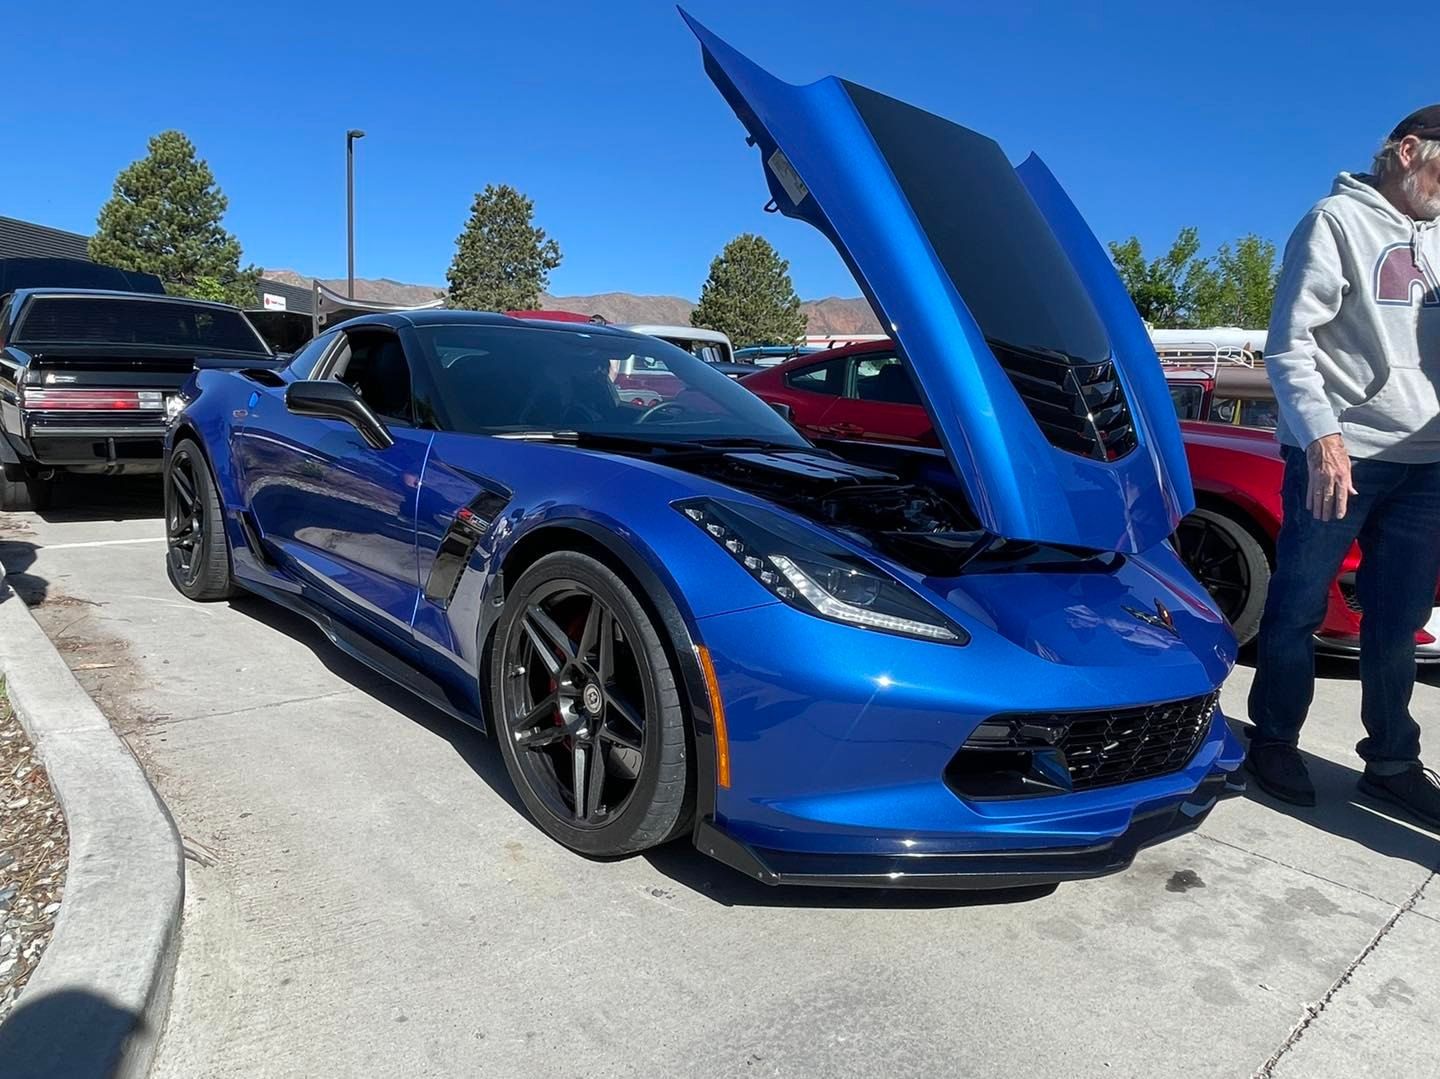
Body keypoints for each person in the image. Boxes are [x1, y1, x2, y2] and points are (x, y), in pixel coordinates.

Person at [1247, 106, 1440, 824]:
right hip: (1342, 453)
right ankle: (1273, 739)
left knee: (1397, 622)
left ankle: (1391, 761)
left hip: (1427, 464)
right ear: (1410, 150)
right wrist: (1322, 434)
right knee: (1298, 605)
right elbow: (1290, 344)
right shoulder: (1335, 220)